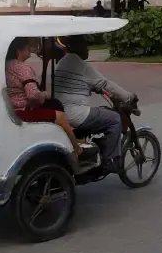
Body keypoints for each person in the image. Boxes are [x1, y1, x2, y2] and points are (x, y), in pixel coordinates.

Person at [54, 34, 136, 171]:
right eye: (85, 45)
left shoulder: (62, 63)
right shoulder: (81, 65)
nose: (87, 49)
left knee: (102, 111)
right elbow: (105, 84)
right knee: (115, 118)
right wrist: (128, 97)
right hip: (75, 114)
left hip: (61, 111)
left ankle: (94, 147)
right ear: (77, 47)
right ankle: (109, 160)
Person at [5, 37, 81, 158]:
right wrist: (44, 95)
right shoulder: (23, 68)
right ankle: (77, 149)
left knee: (55, 104)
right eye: (27, 47)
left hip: (12, 108)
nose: (30, 49)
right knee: (60, 116)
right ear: (19, 50)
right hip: (23, 110)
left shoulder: (6, 66)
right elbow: (33, 95)